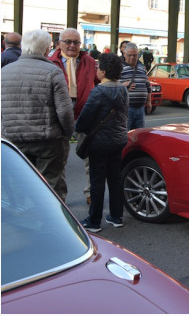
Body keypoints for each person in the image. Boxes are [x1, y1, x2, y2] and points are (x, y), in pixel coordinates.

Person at [1, 29, 74, 200]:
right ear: (46, 49)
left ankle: (26, 221)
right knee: (51, 187)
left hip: (14, 140)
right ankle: (54, 223)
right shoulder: (53, 72)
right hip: (48, 141)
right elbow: (64, 111)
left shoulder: (3, 72)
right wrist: (67, 133)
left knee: (21, 185)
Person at [75, 52, 128, 233]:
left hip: (99, 142)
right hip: (119, 139)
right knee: (115, 178)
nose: (96, 70)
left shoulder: (98, 91)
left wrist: (78, 128)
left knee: (97, 181)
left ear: (103, 72)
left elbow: (84, 120)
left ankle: (94, 221)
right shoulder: (123, 89)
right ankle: (116, 216)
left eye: (98, 68)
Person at [49, 28, 100, 204]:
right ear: (59, 43)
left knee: (90, 156)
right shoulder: (50, 62)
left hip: (84, 114)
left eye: (76, 42)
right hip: (59, 115)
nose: (72, 45)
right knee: (59, 157)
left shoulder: (90, 61)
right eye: (68, 41)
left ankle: (90, 192)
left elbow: (99, 82)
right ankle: (59, 196)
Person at [120, 43, 152, 130]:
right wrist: (123, 85)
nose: (132, 57)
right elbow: (112, 85)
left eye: (135, 55)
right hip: (127, 109)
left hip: (141, 108)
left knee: (139, 135)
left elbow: (148, 86)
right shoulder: (119, 68)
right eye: (129, 55)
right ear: (124, 54)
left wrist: (149, 102)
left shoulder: (141, 68)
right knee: (126, 135)